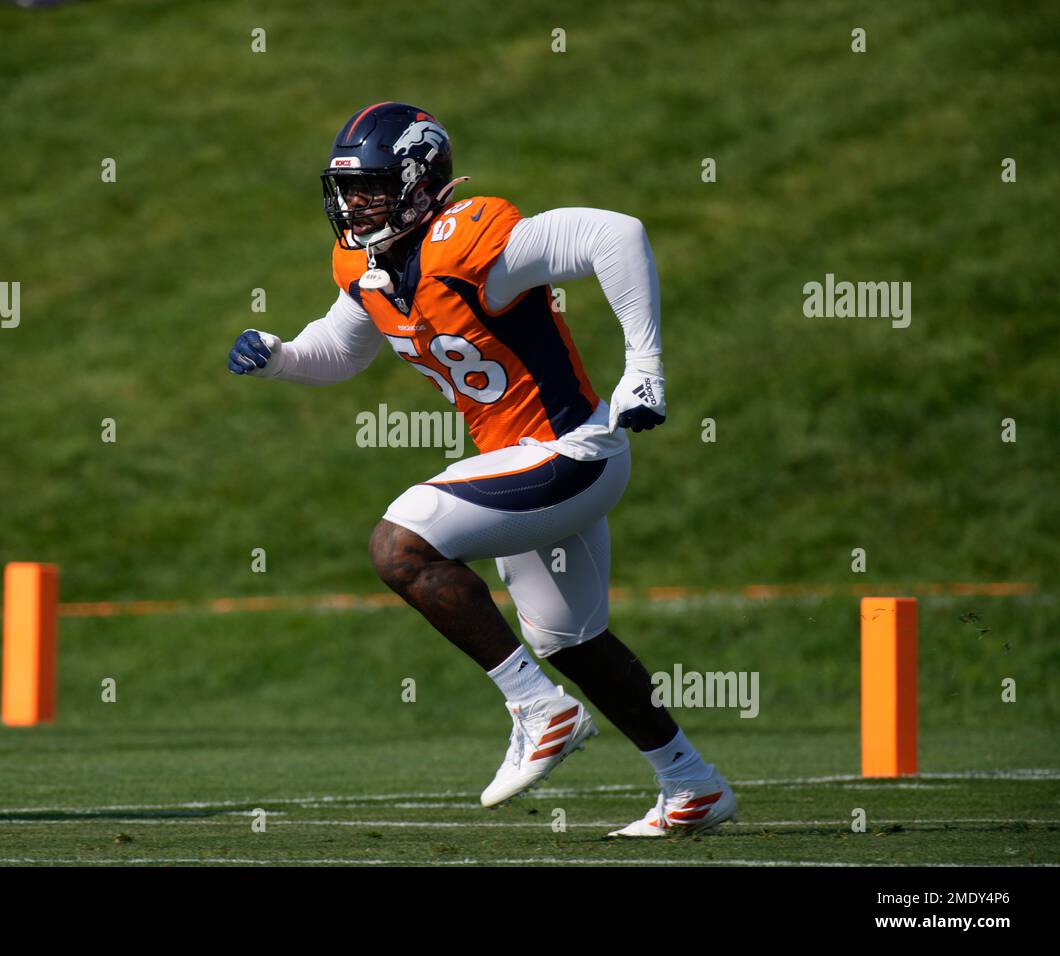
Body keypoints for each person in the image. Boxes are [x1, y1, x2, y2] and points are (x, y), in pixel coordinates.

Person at [228, 102, 737, 836]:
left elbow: (614, 233)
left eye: (371, 187)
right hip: (523, 465)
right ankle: (692, 785)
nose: (353, 205)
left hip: (570, 452)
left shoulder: (467, 240)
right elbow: (338, 351)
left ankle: (537, 709)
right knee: (574, 642)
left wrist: (644, 368)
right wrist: (278, 359)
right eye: (347, 191)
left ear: (419, 182)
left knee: (400, 542)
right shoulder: (368, 266)